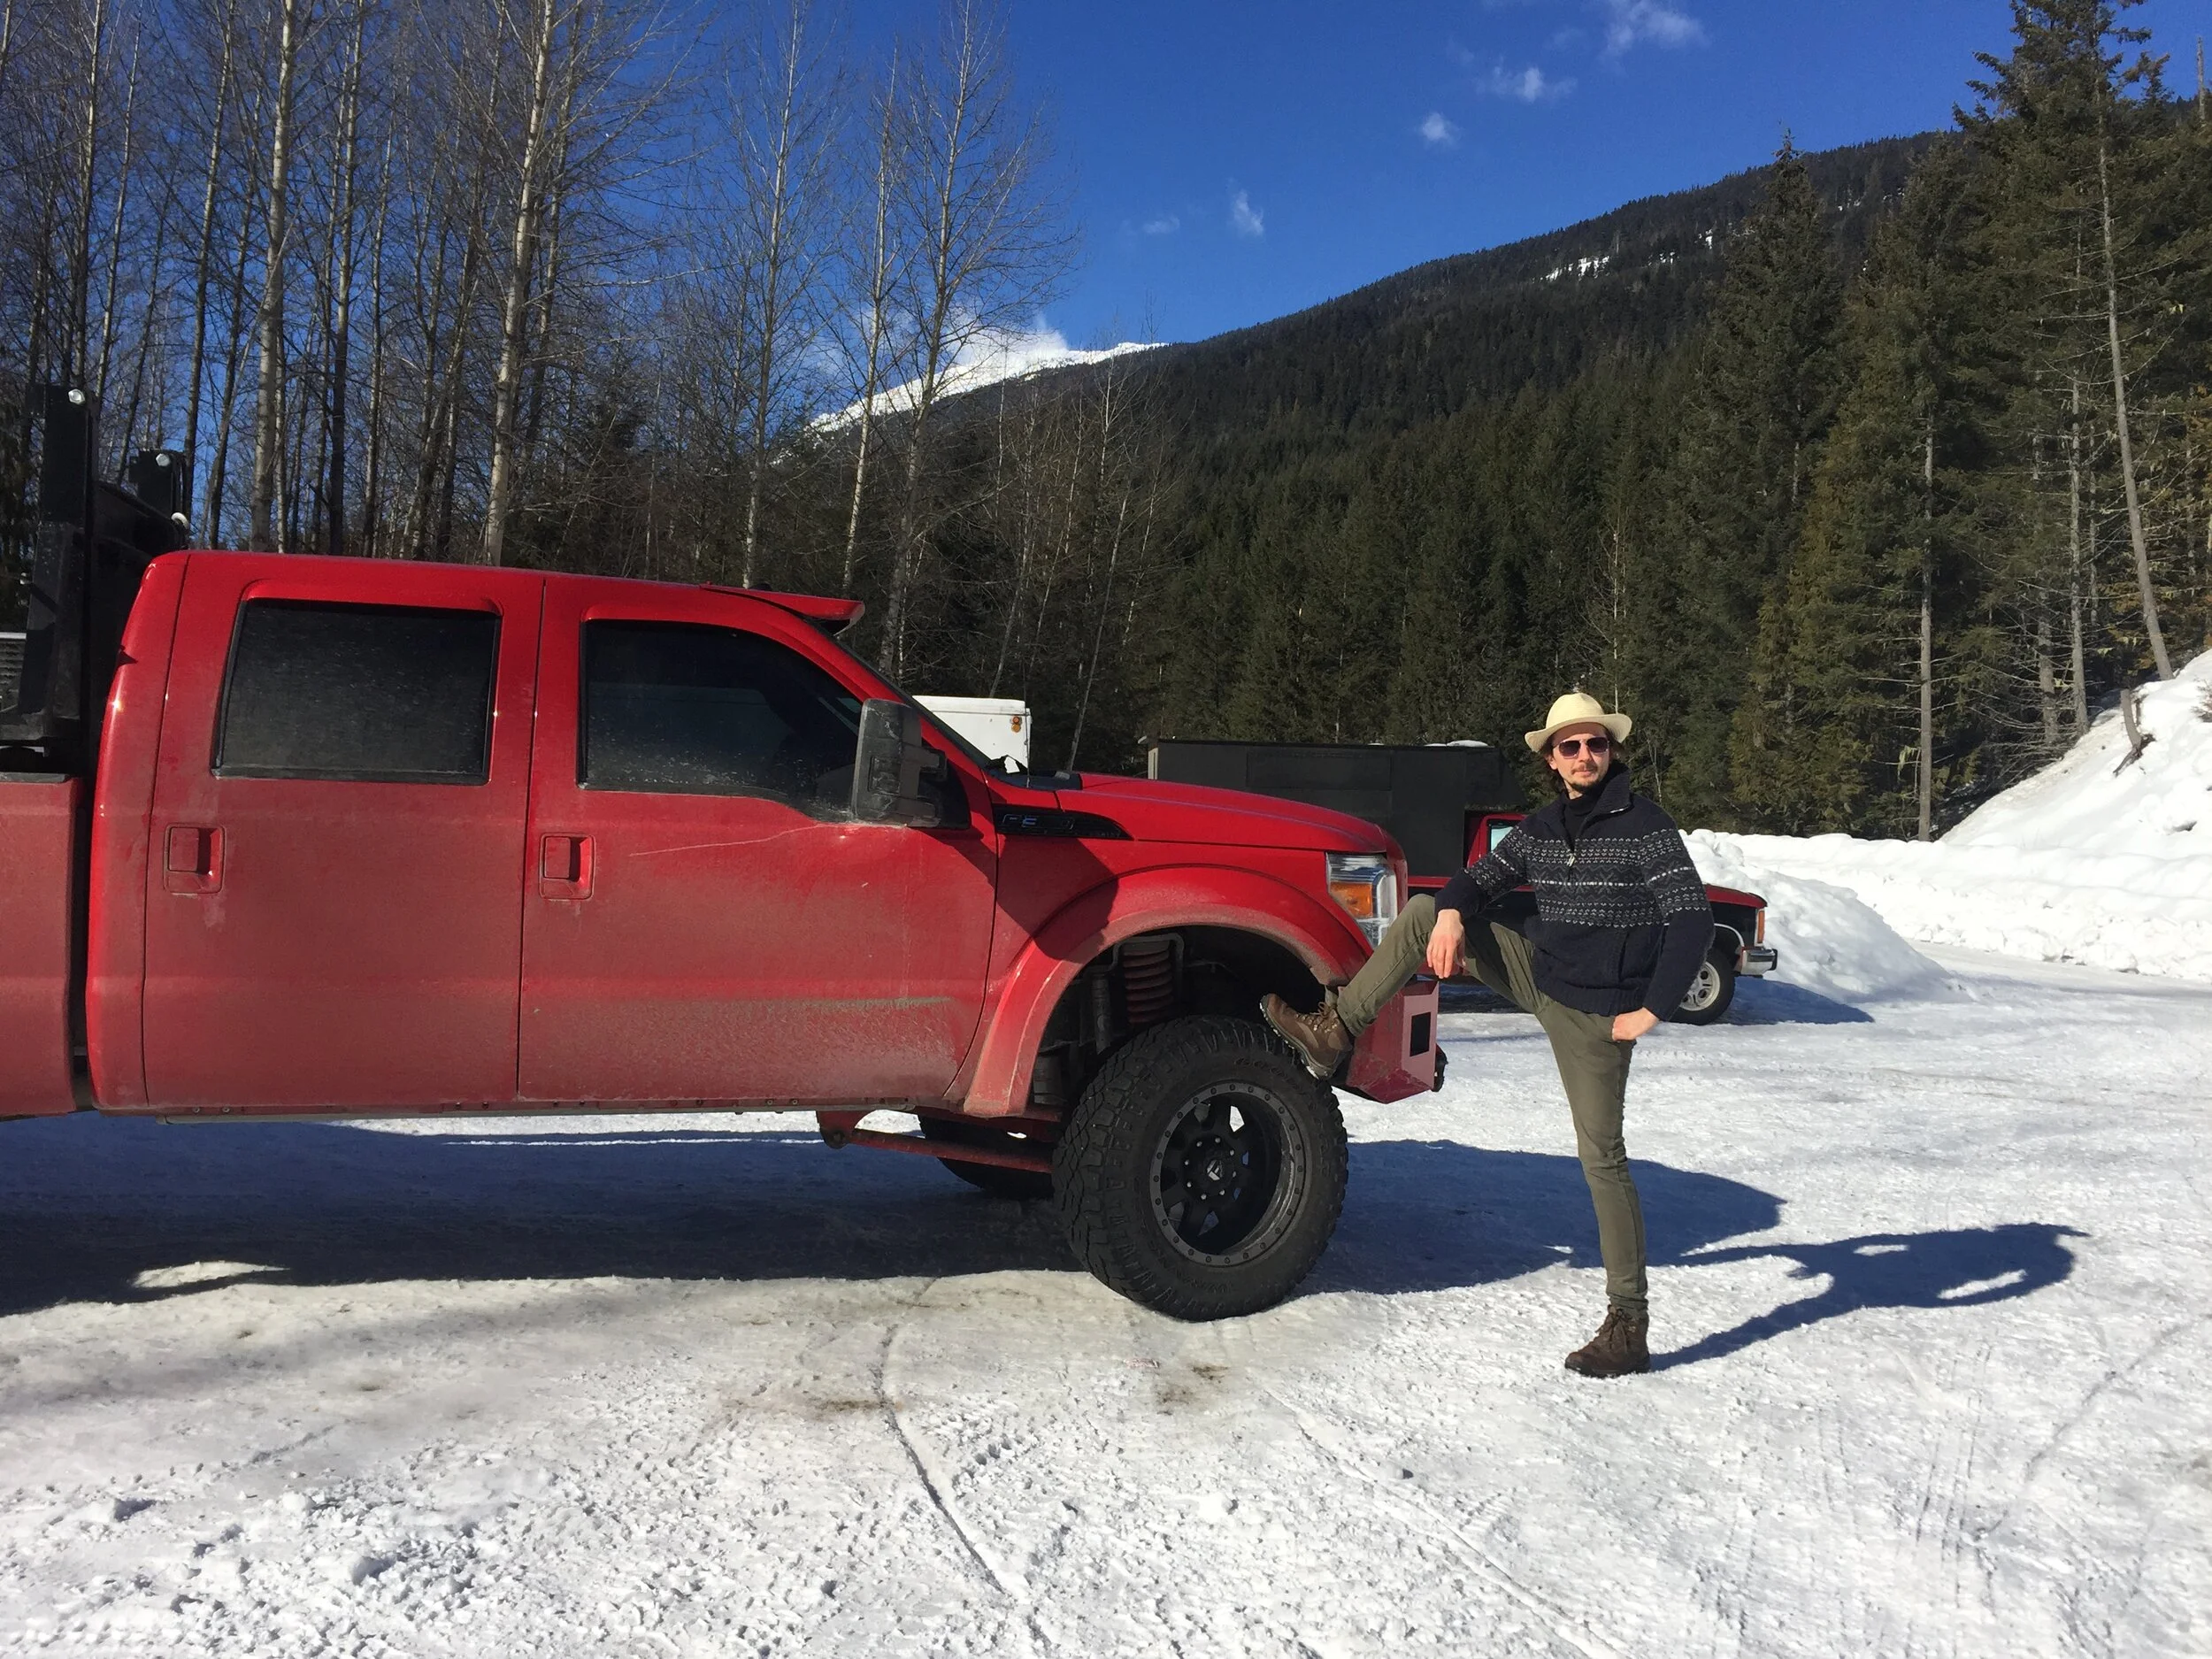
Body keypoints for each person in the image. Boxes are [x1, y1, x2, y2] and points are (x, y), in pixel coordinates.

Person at [1263, 691, 1712, 1378]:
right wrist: (1450, 917)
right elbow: (1478, 879)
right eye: (1571, 746)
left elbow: (1692, 922)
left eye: (1595, 743)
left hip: (1600, 1017)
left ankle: (1629, 1322)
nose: (1585, 756)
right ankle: (1336, 1028)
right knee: (1420, 913)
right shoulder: (1542, 825)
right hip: (1542, 974)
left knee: (1603, 1159)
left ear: (1611, 751)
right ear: (1552, 761)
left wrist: (1651, 1011)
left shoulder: (1646, 826)